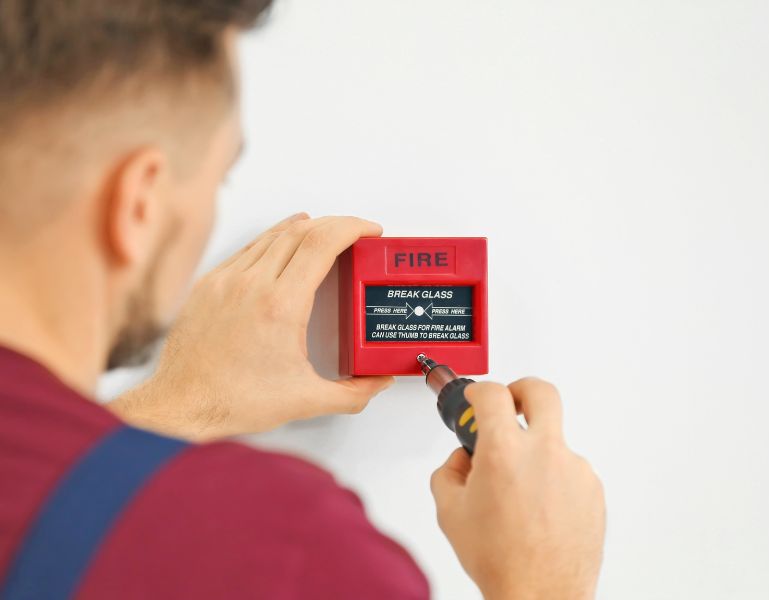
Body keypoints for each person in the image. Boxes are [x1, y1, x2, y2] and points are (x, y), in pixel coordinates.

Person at [0, 1, 606, 598]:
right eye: (219, 178)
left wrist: (181, 406)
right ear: (140, 204)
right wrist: (542, 581)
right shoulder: (284, 553)